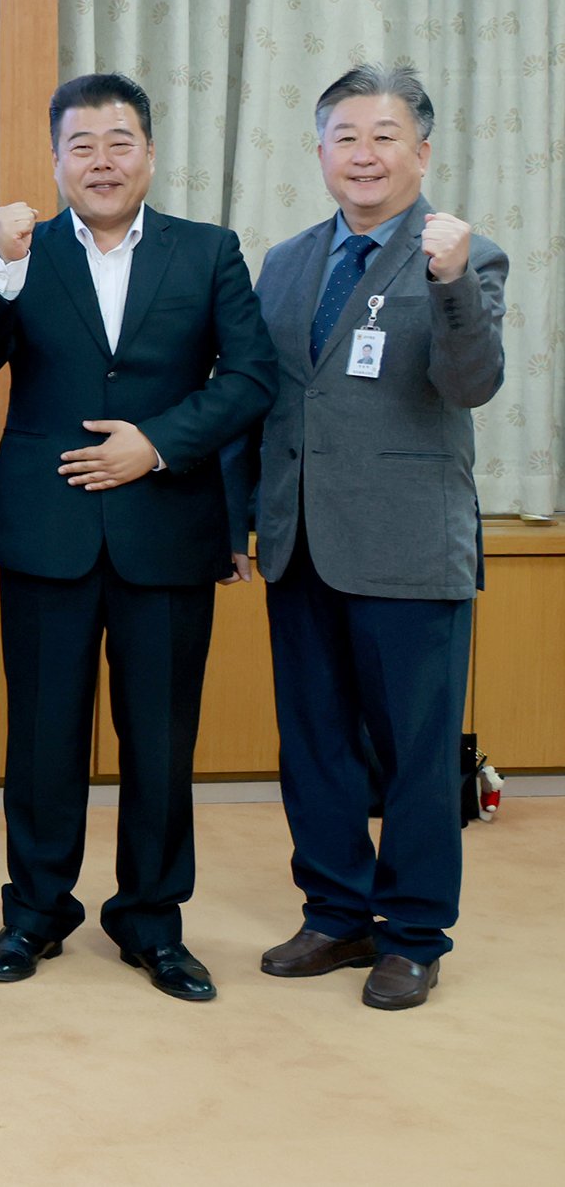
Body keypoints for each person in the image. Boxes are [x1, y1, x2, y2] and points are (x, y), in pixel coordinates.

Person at [0, 73, 275, 1002]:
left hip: (166, 530)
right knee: (42, 737)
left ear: (150, 155)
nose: (101, 161)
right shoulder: (20, 251)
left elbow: (250, 377)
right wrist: (1, 268)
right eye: (81, 145)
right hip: (47, 532)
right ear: (55, 160)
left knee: (162, 743)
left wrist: (156, 444)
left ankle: (152, 922)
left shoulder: (208, 251)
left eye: (119, 141)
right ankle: (35, 912)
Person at [225, 64, 506, 1012]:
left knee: (416, 756)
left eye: (385, 136)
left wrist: (452, 281)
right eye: (345, 137)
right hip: (299, 540)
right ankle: (336, 913)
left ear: (421, 152)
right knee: (314, 745)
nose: (364, 154)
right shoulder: (287, 261)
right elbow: (264, 400)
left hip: (409, 547)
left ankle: (415, 934)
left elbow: (471, 382)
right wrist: (242, 518)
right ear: (319, 153)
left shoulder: (464, 256)